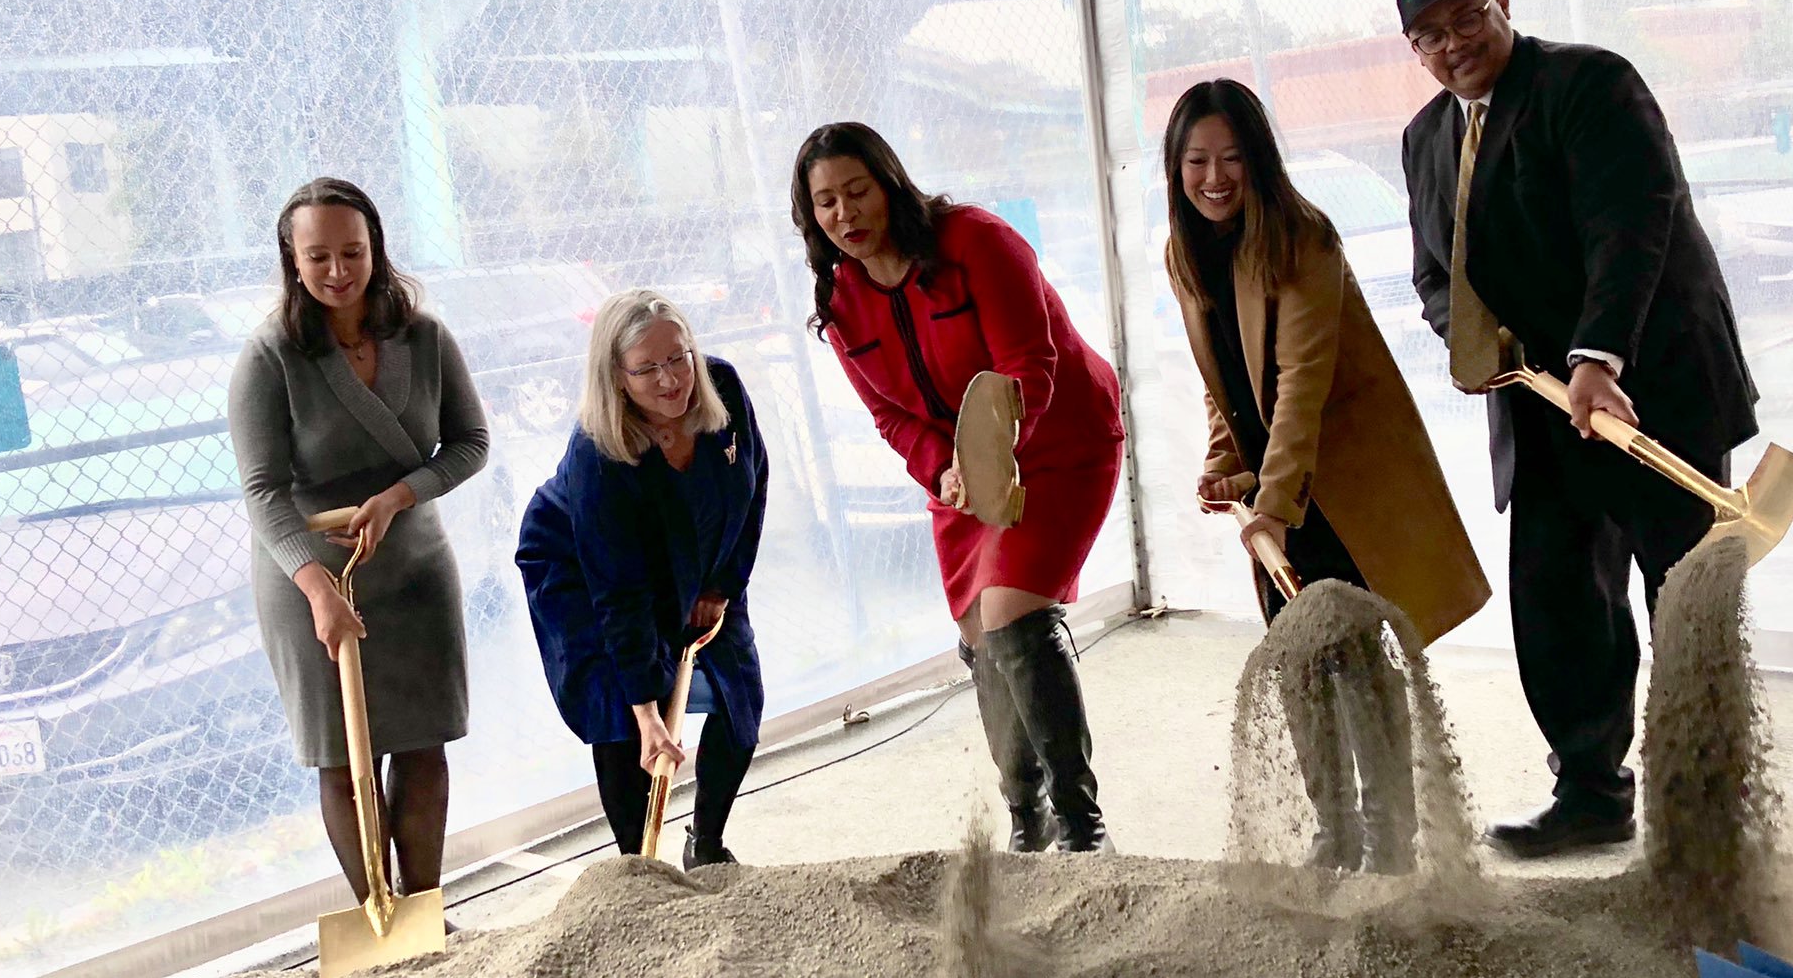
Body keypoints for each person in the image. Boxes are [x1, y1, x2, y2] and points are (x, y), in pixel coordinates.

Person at [1396, 0, 1760, 858]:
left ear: (1502, 8)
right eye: (1430, 36)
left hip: (1653, 389)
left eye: (1466, 19)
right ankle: (1593, 791)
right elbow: (1436, 275)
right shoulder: (1425, 139)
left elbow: (1631, 222)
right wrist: (1475, 347)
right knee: (1559, 599)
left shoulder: (1587, 83)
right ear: (1415, 49)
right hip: (1542, 407)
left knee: (1686, 595)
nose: (1453, 46)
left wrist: (1599, 355)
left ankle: (1708, 805)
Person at [1163, 78, 1489, 872]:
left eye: (1233, 158)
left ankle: (1391, 839)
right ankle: (1334, 831)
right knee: (1294, 656)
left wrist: (1272, 505)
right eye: (1197, 160)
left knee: (1351, 656)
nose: (1214, 178)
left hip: (1337, 481)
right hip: (1274, 487)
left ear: (1260, 161)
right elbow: (1227, 384)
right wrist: (1223, 464)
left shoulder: (1303, 237)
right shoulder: (1183, 249)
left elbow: (1299, 382)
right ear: (1175, 168)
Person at [792, 122, 1125, 854]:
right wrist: (944, 468)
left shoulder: (977, 241)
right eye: (825, 203)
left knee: (1014, 621)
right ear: (809, 216)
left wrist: (989, 458)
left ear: (889, 183)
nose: (845, 215)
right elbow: (889, 417)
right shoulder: (840, 301)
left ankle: (1081, 826)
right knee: (980, 638)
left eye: (857, 191)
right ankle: (1026, 817)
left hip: (1058, 439)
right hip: (959, 474)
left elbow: (1029, 362)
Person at [229, 177, 490, 911]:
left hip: (411, 566)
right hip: (309, 572)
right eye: (319, 257)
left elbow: (469, 442)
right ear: (292, 258)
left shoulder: (425, 335)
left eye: (353, 252)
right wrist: (318, 592)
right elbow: (262, 492)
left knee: (421, 743)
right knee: (345, 761)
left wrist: (402, 495)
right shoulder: (267, 358)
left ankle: (425, 913)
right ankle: (379, 918)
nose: (338, 271)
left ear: (376, 249)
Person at [516, 289, 768, 868]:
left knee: (739, 697)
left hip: (702, 557)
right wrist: (647, 713)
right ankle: (639, 864)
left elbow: (753, 490)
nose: (671, 379)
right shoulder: (597, 455)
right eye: (647, 368)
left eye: (679, 357)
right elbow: (618, 591)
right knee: (622, 717)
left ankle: (705, 844)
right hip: (582, 571)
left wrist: (722, 586)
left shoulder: (722, 388)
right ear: (617, 376)